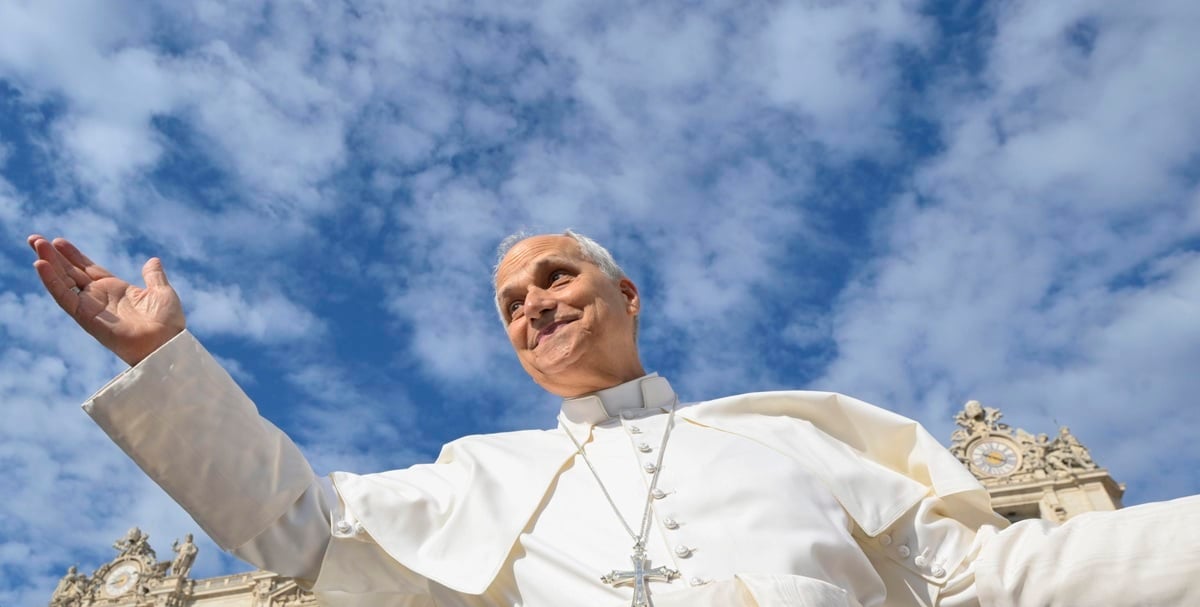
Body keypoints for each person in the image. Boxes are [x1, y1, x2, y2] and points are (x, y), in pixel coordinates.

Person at [27, 231, 1200, 607]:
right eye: (510, 305)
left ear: (622, 293)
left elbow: (993, 578)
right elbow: (295, 522)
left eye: (553, 278)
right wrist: (161, 357)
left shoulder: (803, 435)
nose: (534, 305)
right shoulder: (475, 476)